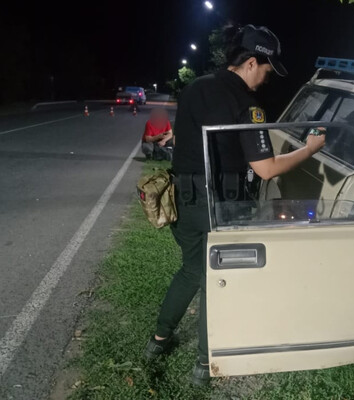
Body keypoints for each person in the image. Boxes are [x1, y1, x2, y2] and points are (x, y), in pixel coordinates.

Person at [143, 24, 325, 386]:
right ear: (252, 63)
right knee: (217, 280)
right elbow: (267, 169)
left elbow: (185, 135)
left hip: (185, 200)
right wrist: (309, 151)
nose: (266, 79)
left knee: (192, 270)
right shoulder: (247, 104)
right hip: (218, 204)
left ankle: (158, 341)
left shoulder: (195, 88)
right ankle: (204, 364)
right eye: (267, 71)